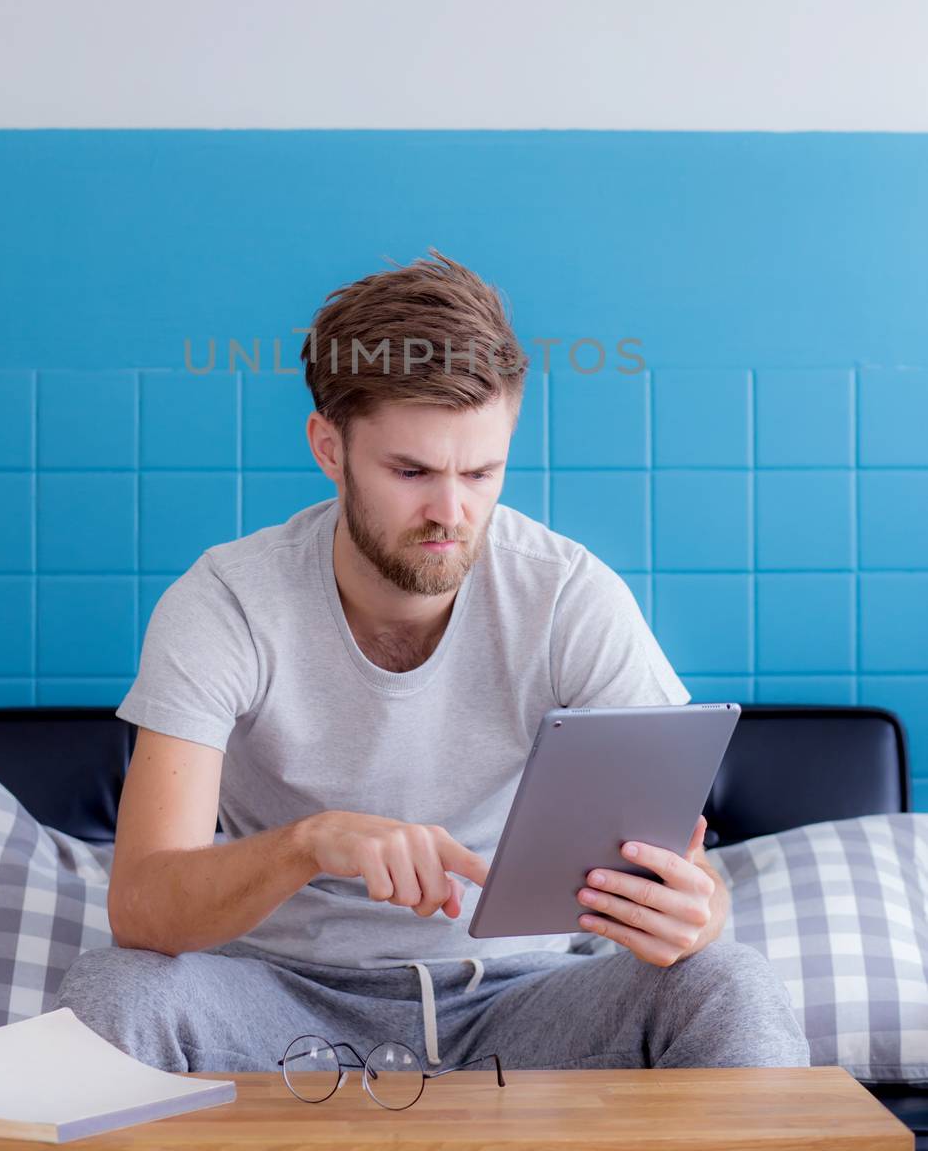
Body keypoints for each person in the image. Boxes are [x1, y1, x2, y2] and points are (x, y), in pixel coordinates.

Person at [52, 249, 810, 1076]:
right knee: (115, 988)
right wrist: (310, 843)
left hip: (523, 1001)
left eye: (481, 472)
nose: (451, 513)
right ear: (329, 447)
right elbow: (141, 907)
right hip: (273, 1003)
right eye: (411, 471)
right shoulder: (225, 603)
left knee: (729, 978)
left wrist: (694, 915)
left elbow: (689, 878)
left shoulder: (568, 595)